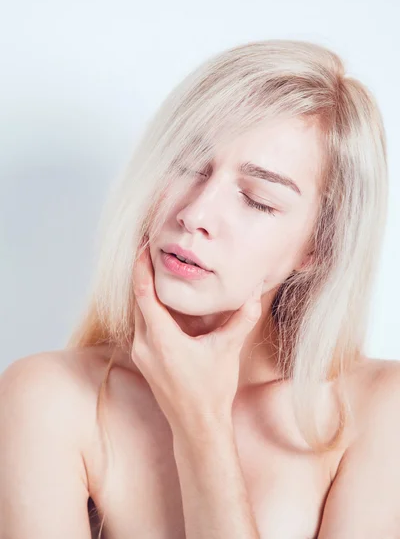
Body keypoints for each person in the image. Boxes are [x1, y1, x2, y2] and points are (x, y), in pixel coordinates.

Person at [1, 39, 399, 539]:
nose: (195, 215)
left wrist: (201, 423)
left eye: (257, 199)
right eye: (188, 166)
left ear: (318, 246)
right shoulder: (51, 396)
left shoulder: (378, 411)